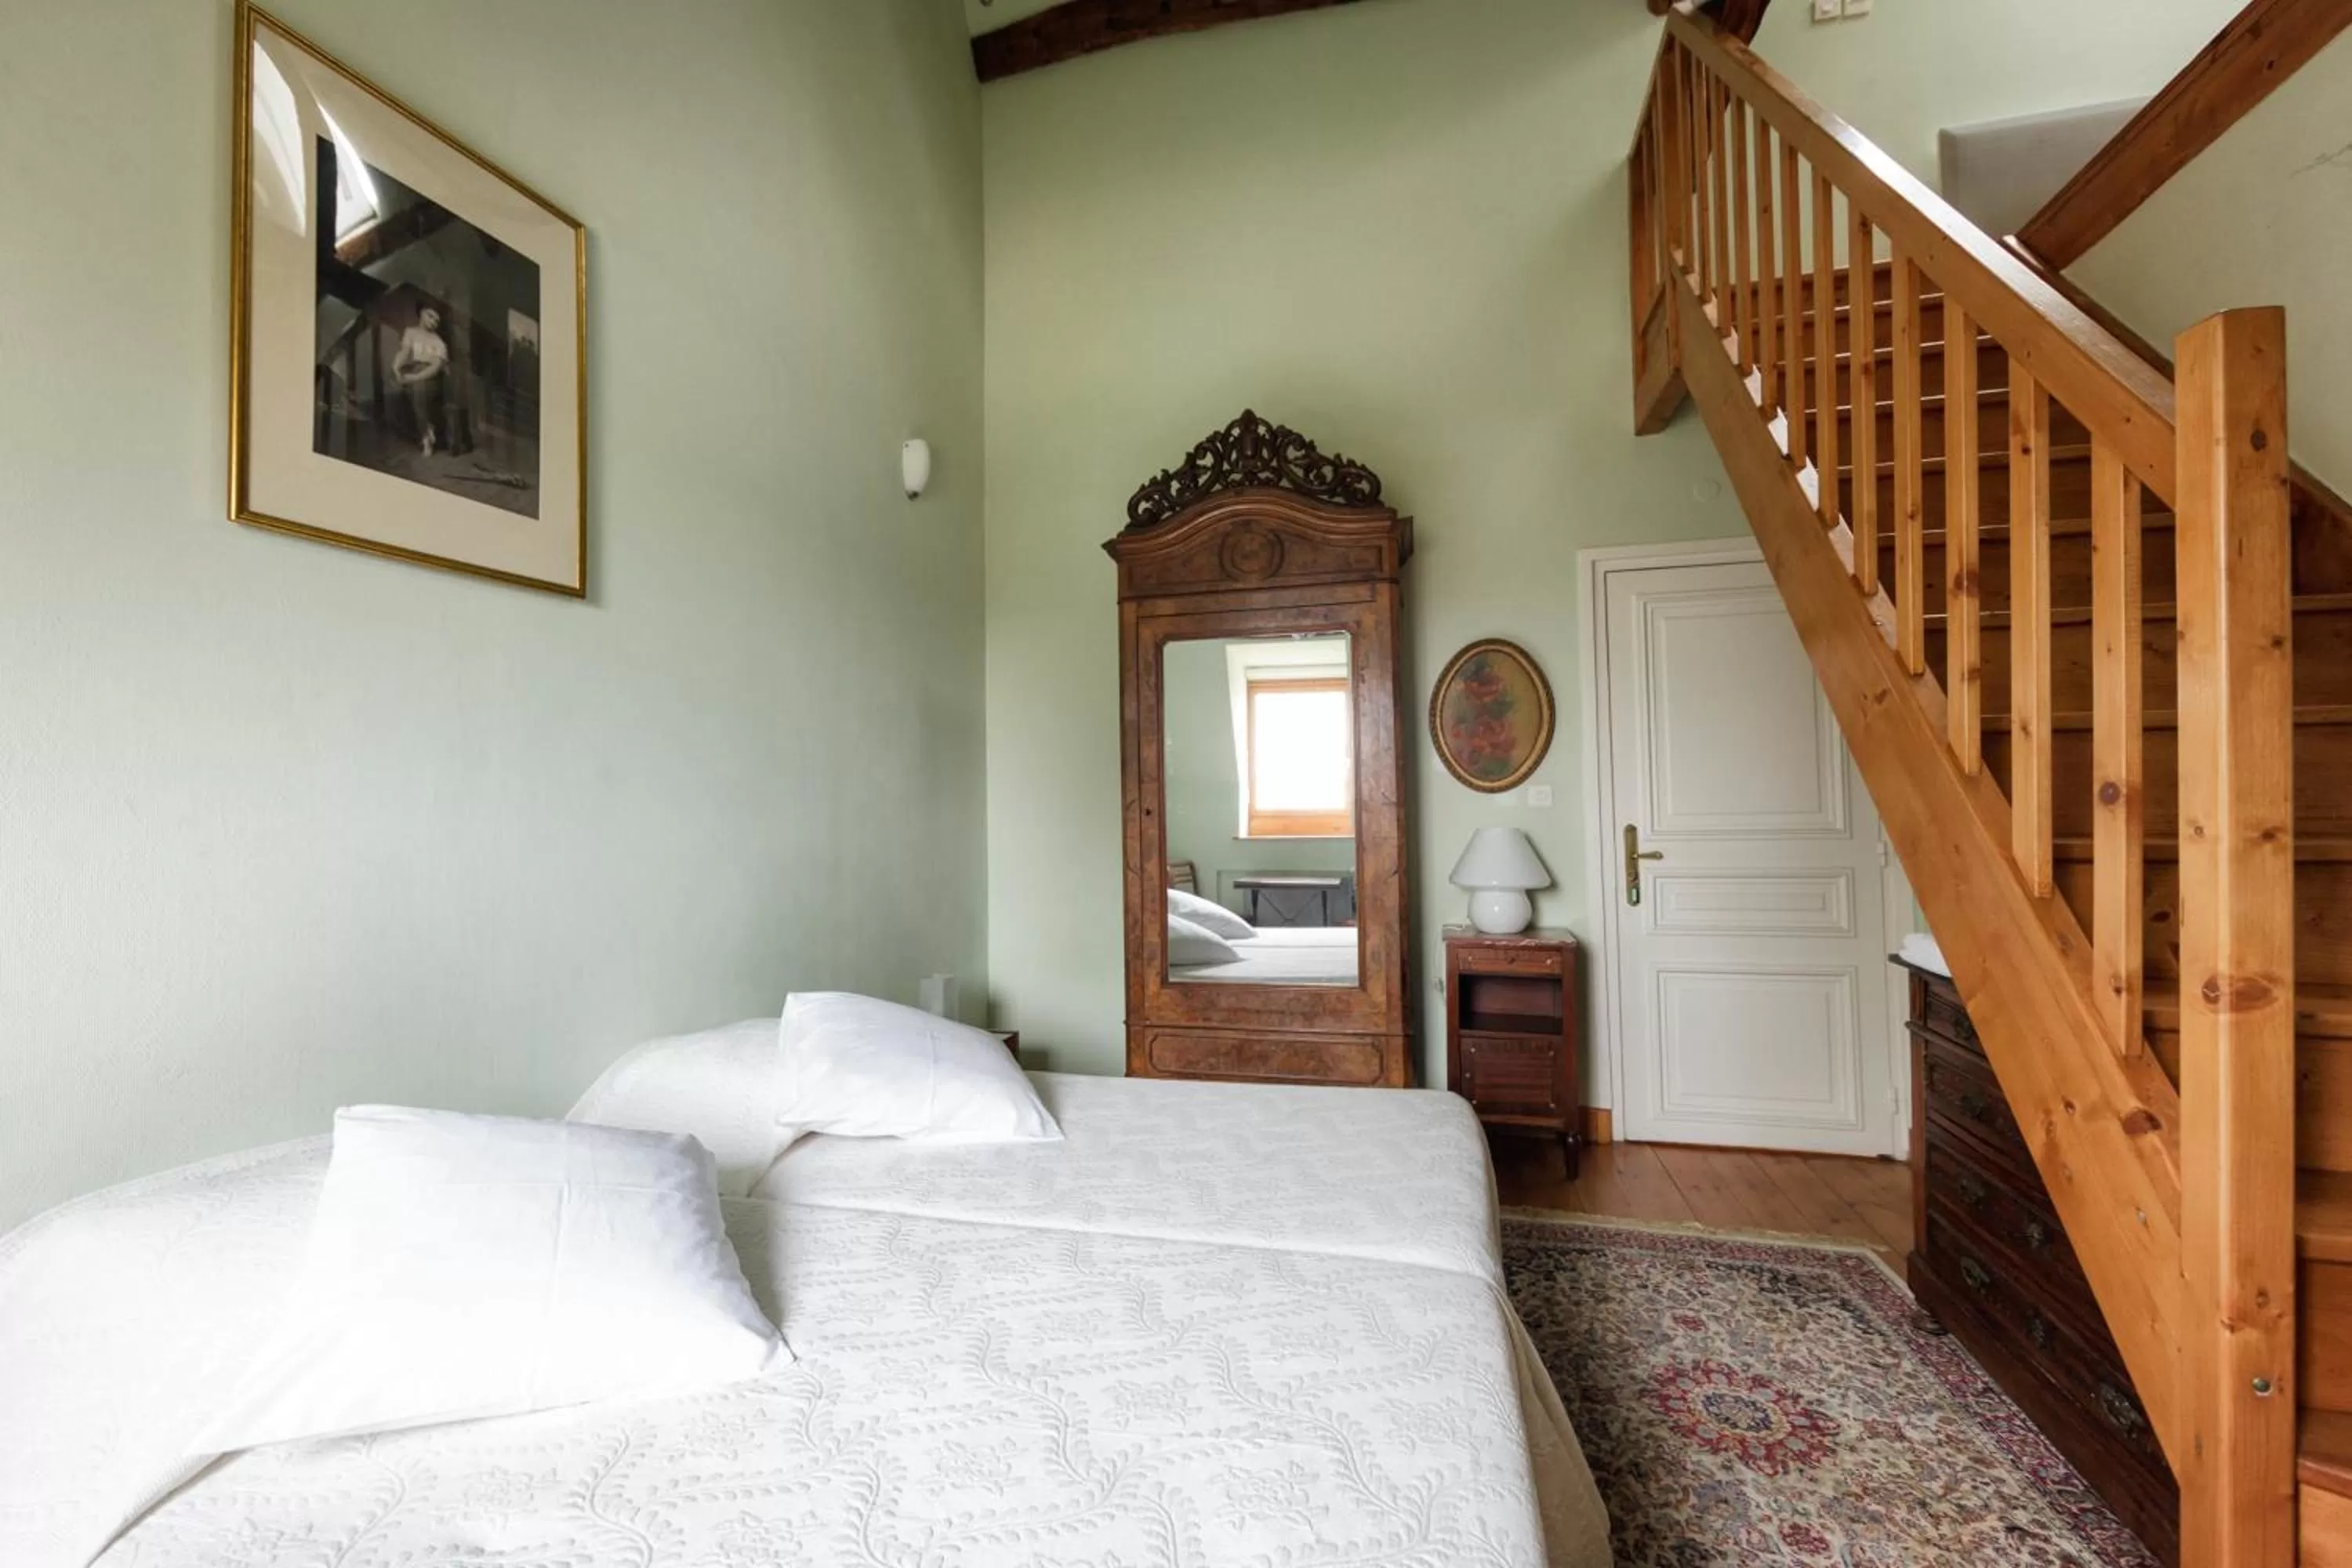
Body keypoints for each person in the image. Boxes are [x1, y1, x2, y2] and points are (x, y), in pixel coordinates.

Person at [391, 306, 451, 457]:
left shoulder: (439, 342)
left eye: (437, 320)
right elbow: (405, 352)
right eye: (430, 316)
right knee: (409, 387)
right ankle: (428, 428)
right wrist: (396, 366)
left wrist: (413, 378)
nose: (433, 321)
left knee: (419, 388)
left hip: (433, 377)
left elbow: (436, 368)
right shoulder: (411, 332)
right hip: (414, 369)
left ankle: (426, 437)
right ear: (422, 314)